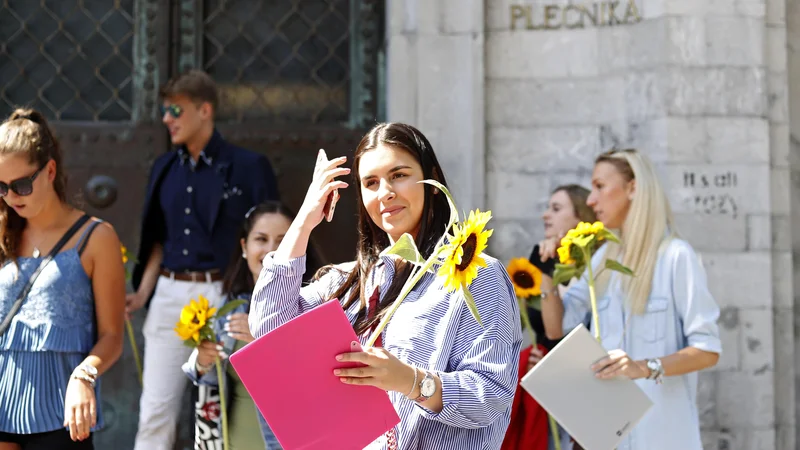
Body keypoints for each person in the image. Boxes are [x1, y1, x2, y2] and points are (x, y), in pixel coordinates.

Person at [249, 122, 522, 449]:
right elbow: (268, 331)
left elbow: (491, 394)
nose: (385, 192)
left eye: (399, 175)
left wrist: (409, 381)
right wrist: (305, 220)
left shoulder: (476, 274)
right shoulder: (345, 282)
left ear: (432, 180)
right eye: (371, 183)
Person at [127, 70, 280, 450]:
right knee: (155, 410)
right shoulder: (164, 167)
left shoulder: (248, 166)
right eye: (165, 111)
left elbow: (274, 235)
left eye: (175, 109)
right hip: (168, 296)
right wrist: (143, 293)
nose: (167, 119)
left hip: (225, 296)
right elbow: (159, 240)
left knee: (222, 407)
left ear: (205, 110)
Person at [539, 148, 721, 450]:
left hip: (663, 438)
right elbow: (557, 329)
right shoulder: (601, 261)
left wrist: (643, 367)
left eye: (600, 186)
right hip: (611, 439)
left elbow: (708, 349)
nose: (591, 200)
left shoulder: (676, 256)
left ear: (633, 188)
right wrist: (546, 270)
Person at [0, 109, 125, 449]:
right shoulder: (2, 233)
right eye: (1, 187)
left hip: (61, 416)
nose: (11, 197)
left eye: (21, 185)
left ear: (50, 170)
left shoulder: (96, 237)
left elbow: (113, 336)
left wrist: (84, 375)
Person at [183, 201, 323, 450]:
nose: (271, 250)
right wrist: (202, 361)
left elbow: (322, 382)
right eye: (261, 239)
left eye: (283, 240)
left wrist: (265, 339)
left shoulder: (317, 301)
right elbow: (207, 375)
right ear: (244, 247)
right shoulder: (232, 305)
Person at [502, 184, 596, 450]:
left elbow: (567, 335)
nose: (545, 215)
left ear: (580, 217)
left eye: (556, 209)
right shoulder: (539, 265)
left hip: (577, 392)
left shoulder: (591, 272)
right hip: (540, 393)